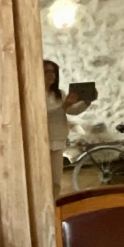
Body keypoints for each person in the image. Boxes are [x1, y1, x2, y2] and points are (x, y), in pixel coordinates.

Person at [44, 60, 93, 198]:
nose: (51, 75)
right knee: (41, 180)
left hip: (58, 139)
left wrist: (86, 101)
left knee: (56, 180)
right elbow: (42, 116)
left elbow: (73, 111)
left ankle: (54, 205)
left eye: (54, 72)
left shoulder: (58, 93)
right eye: (47, 71)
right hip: (41, 140)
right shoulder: (32, 94)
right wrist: (64, 106)